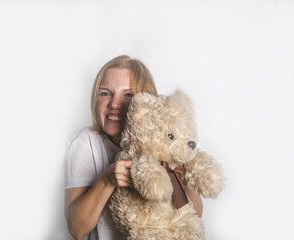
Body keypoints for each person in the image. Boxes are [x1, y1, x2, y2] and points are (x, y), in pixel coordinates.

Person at [64, 55, 203, 240]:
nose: (114, 104)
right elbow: (77, 229)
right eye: (105, 93)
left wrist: (178, 176)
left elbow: (196, 216)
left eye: (128, 95)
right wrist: (107, 181)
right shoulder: (86, 143)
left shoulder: (168, 142)